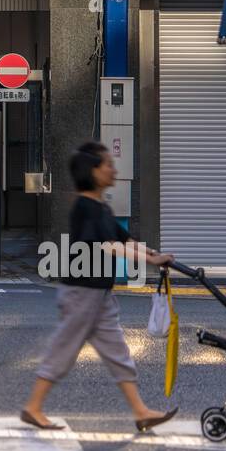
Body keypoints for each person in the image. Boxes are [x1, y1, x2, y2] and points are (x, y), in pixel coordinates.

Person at [21, 140, 179, 433]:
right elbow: (110, 247)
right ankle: (33, 407)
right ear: (93, 171)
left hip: (100, 296)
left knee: (119, 353)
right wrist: (152, 262)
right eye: (108, 164)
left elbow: (126, 240)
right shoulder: (85, 207)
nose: (113, 169)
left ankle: (140, 411)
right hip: (82, 294)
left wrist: (155, 255)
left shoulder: (101, 207)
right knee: (63, 351)